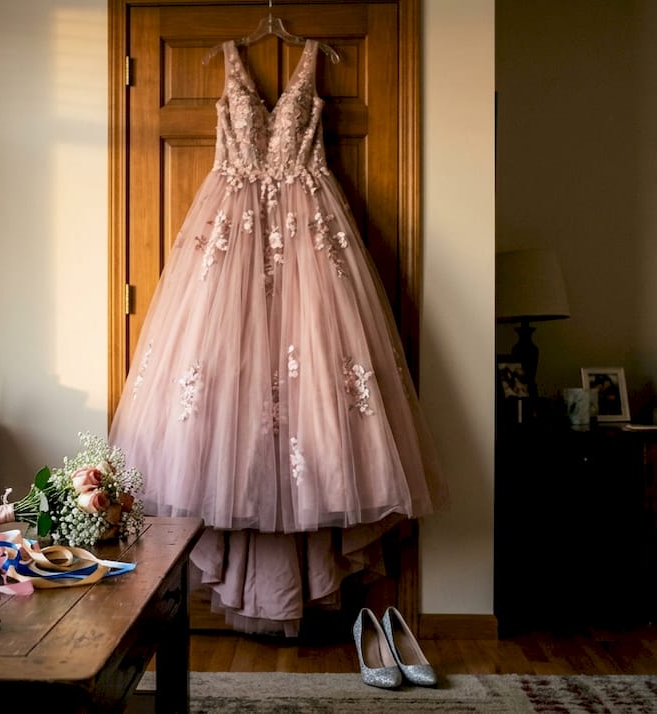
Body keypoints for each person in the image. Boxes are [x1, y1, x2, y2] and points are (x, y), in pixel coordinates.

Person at [108, 40, 446, 637]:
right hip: (228, 247)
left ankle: (302, 584)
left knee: (315, 401)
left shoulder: (315, 61)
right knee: (220, 408)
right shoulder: (228, 64)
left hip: (307, 242)